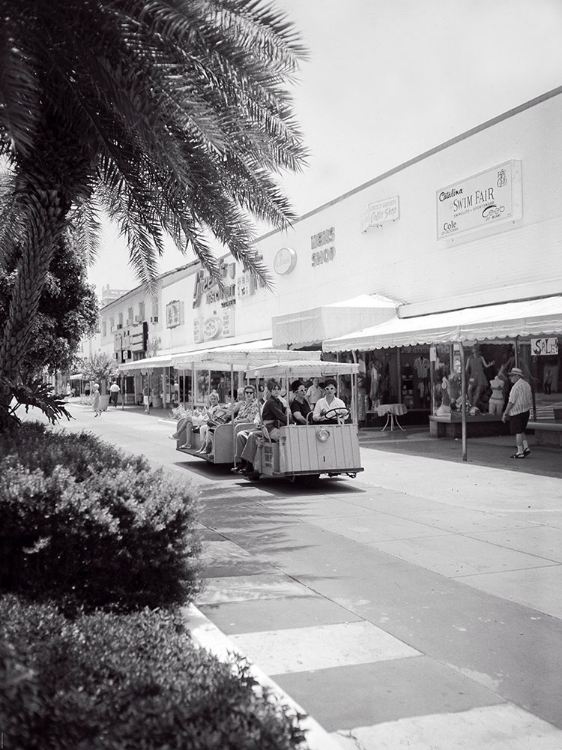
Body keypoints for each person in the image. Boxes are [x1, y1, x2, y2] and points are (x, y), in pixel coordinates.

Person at [239, 379, 292, 476]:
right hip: (269, 428)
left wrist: (288, 412)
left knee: (289, 436)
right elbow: (280, 416)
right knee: (285, 438)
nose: (276, 391)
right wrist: (292, 422)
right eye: (274, 389)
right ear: (270, 391)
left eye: (278, 389)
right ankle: (284, 463)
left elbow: (284, 412)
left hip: (276, 426)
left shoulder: (278, 402)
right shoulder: (271, 402)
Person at [502, 367, 533, 459]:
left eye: (512, 376)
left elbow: (511, 402)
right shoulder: (527, 385)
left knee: (518, 432)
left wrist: (505, 413)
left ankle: (520, 452)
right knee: (521, 430)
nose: (510, 378)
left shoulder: (515, 387)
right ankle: (526, 447)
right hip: (526, 411)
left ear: (517, 376)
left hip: (516, 413)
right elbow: (529, 398)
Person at [466, 344, 494, 409]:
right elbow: (466, 368)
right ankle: (471, 403)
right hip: (473, 375)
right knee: (469, 389)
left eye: (476, 349)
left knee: (478, 391)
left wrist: (490, 364)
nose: (474, 350)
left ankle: (474, 405)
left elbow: (485, 365)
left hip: (480, 375)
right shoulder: (469, 358)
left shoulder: (481, 357)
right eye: (474, 348)